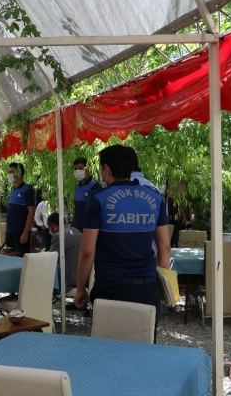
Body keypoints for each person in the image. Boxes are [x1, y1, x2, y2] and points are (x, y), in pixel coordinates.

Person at [74, 145, 171, 342]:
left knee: (107, 351)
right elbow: (164, 248)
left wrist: (80, 288)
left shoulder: (98, 199)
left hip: (110, 287)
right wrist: (163, 287)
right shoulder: (155, 198)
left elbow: (87, 251)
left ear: (107, 169)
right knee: (145, 350)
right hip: (146, 288)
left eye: (101, 168)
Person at [47, 212, 82, 294]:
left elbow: (50, 259)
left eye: (49, 228)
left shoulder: (59, 236)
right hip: (82, 276)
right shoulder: (77, 231)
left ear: (53, 226)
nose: (50, 230)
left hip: (69, 279)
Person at [5, 162, 36, 257]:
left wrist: (25, 233)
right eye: (9, 172)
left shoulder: (27, 189)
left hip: (20, 233)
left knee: (21, 260)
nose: (9, 174)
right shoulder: (13, 189)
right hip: (10, 232)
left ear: (18, 173)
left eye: (11, 172)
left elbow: (31, 211)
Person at [71, 157, 102, 233]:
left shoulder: (94, 186)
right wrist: (72, 226)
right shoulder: (77, 186)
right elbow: (77, 209)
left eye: (80, 168)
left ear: (87, 169)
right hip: (77, 228)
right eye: (75, 169)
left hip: (89, 228)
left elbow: (97, 210)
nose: (77, 171)